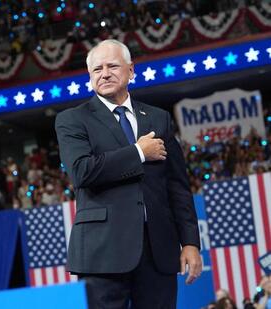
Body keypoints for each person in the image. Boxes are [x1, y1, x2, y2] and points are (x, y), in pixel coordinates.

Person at [55, 39, 202, 308]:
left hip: (158, 251)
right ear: (89, 77)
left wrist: (190, 242)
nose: (105, 73)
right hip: (102, 254)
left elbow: (177, 186)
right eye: (97, 69)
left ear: (131, 71)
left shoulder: (158, 119)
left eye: (112, 66)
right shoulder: (72, 120)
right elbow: (81, 172)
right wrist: (138, 153)